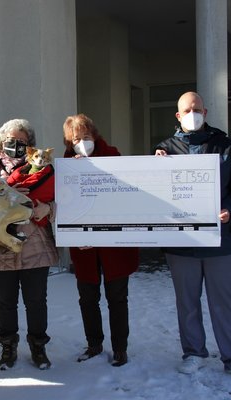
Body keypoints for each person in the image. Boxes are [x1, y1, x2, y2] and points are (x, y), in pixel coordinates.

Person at [155, 91, 231, 376]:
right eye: (186, 110)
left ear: (205, 112)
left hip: (222, 240)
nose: (193, 114)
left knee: (226, 302)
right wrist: (154, 167)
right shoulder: (163, 150)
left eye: (197, 109)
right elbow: (152, 192)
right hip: (181, 244)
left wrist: (230, 209)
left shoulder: (226, 147)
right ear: (178, 116)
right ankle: (193, 352)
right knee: (187, 302)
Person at [62, 114, 139, 367]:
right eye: (75, 139)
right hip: (84, 247)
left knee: (117, 298)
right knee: (88, 298)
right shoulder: (66, 165)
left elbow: (126, 198)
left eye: (85, 137)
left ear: (95, 136)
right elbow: (65, 203)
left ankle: (120, 348)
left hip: (114, 246)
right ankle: (94, 343)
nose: (81, 143)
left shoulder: (114, 158)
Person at [0, 118, 58, 370]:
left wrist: (46, 208)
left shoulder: (43, 169)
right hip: (2, 246)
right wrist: (7, 195)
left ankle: (39, 347)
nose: (16, 146)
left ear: (31, 146)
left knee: (36, 300)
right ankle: (8, 347)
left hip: (34, 245)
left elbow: (62, 201)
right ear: (1, 143)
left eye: (23, 142)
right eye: (11, 141)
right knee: (5, 301)